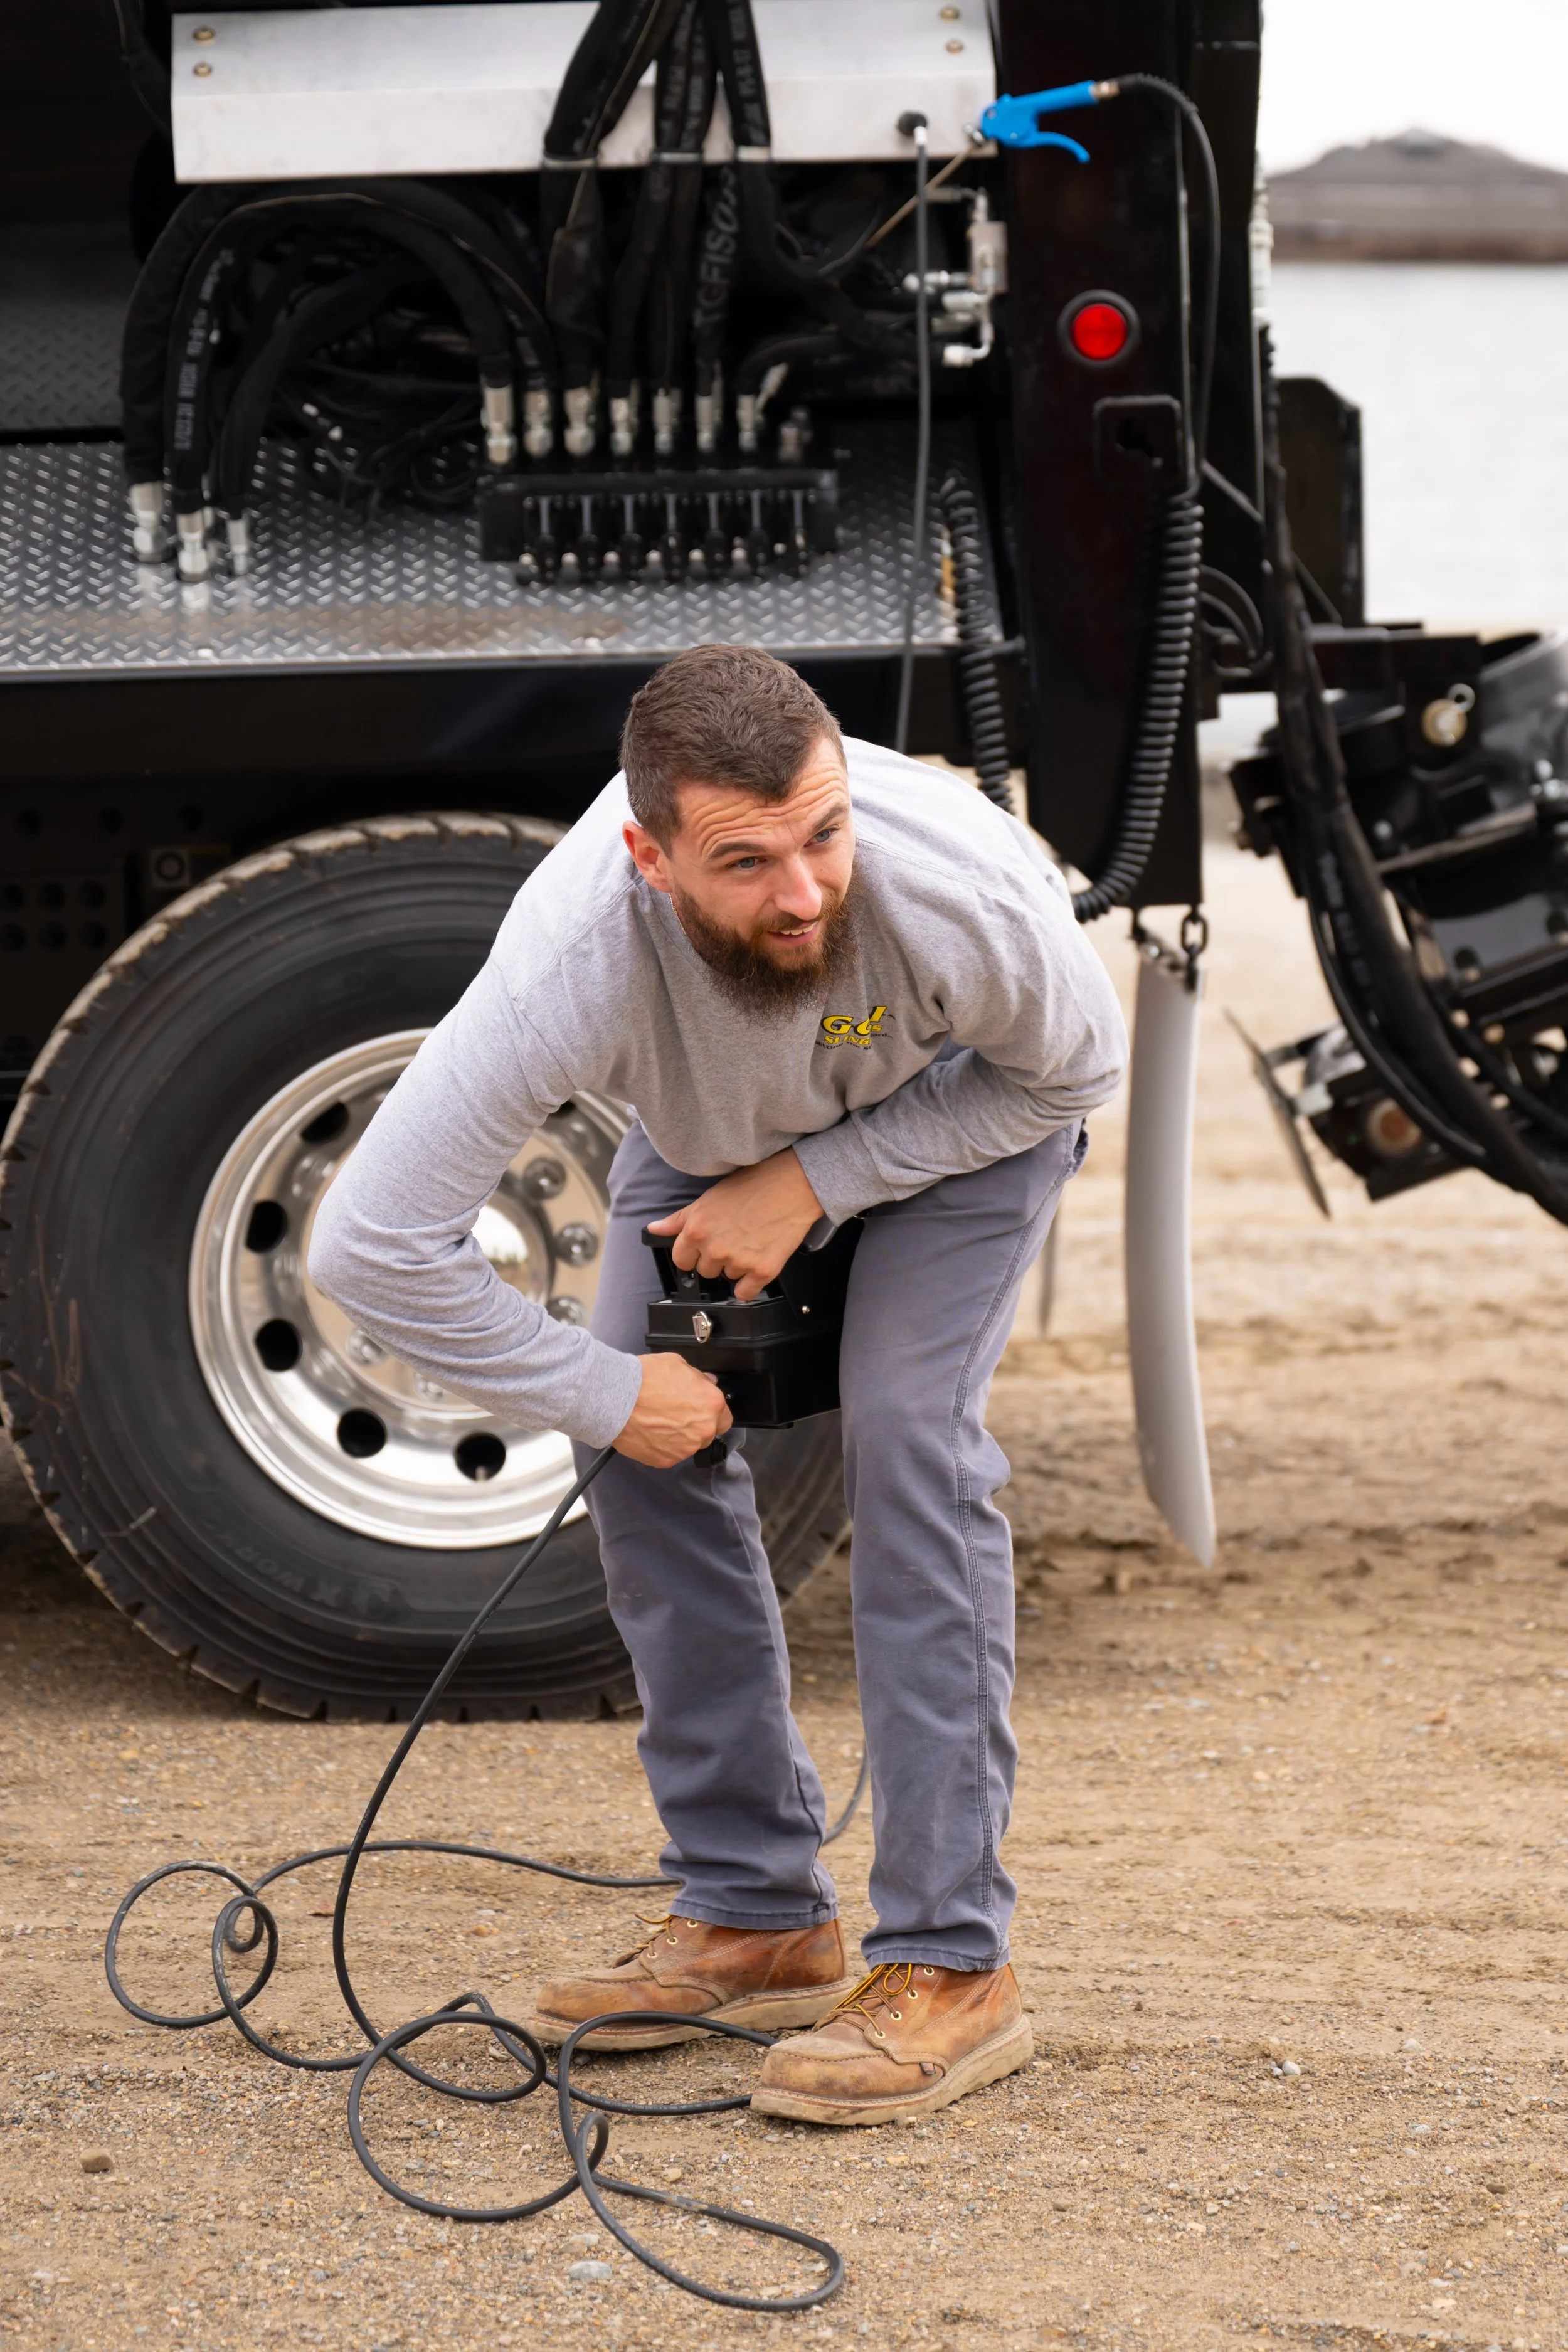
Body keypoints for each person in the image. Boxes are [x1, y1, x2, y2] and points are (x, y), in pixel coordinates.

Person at [310, 643, 1126, 2126]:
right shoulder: (575, 956)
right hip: (704, 1134)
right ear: (649, 858)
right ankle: (756, 1908)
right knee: (635, 1446)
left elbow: (1069, 1071)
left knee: (907, 1437)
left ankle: (952, 1963)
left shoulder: (958, 891)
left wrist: (817, 1177)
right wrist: (605, 1393)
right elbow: (370, 1245)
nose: (804, 892)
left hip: (959, 1121)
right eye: (744, 862)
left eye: (822, 835)